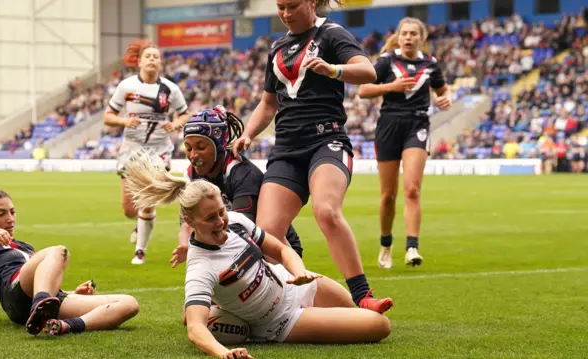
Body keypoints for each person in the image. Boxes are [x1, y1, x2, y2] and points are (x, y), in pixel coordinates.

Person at [122, 154, 391, 359]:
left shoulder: (237, 221)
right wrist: (223, 354)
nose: (220, 222)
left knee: (351, 311)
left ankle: (225, 312)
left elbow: (282, 250)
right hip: (282, 320)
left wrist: (298, 272)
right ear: (189, 221)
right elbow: (195, 329)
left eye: (221, 212)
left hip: (296, 284)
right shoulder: (200, 267)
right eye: (210, 218)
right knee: (380, 326)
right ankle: (255, 332)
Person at [231, 0, 392, 313]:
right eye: (280, 7)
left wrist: (334, 70)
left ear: (311, 2)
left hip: (326, 141)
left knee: (326, 211)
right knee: (268, 234)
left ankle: (362, 295)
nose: (286, 13)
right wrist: (248, 134)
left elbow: (368, 72)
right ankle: (293, 297)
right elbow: (267, 104)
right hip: (287, 151)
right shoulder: (277, 47)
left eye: (293, 6)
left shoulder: (332, 34)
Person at [0, 190, 140, 336]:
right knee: (59, 251)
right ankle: (40, 305)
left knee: (129, 303)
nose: (10, 218)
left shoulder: (24, 246)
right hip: (15, 293)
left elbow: (42, 282)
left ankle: (65, 326)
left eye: (12, 212)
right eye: (1, 213)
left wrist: (73, 293)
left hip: (39, 301)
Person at [357, 17, 452, 268]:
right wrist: (392, 86)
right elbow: (363, 90)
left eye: (413, 34)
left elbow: (443, 91)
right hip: (389, 126)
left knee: (412, 189)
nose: (408, 37)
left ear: (422, 38)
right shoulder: (387, 60)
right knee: (388, 195)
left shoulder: (430, 64)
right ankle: (386, 244)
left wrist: (445, 99)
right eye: (404, 33)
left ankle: (412, 247)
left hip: (417, 125)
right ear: (398, 37)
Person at [170, 106, 303, 268]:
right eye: (188, 148)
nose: (193, 155)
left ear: (219, 145)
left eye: (201, 147)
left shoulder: (243, 173)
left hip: (277, 249)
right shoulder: (191, 175)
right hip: (237, 245)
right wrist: (185, 245)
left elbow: (242, 229)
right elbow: (187, 223)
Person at [104, 39, 190, 265]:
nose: (152, 60)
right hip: (131, 150)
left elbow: (184, 114)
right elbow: (108, 117)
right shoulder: (126, 86)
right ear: (140, 62)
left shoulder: (171, 89)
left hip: (158, 151)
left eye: (156, 57)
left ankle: (140, 251)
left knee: (147, 201)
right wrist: (124, 121)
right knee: (129, 209)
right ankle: (138, 224)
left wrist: (176, 124)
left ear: (160, 63)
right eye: (148, 56)